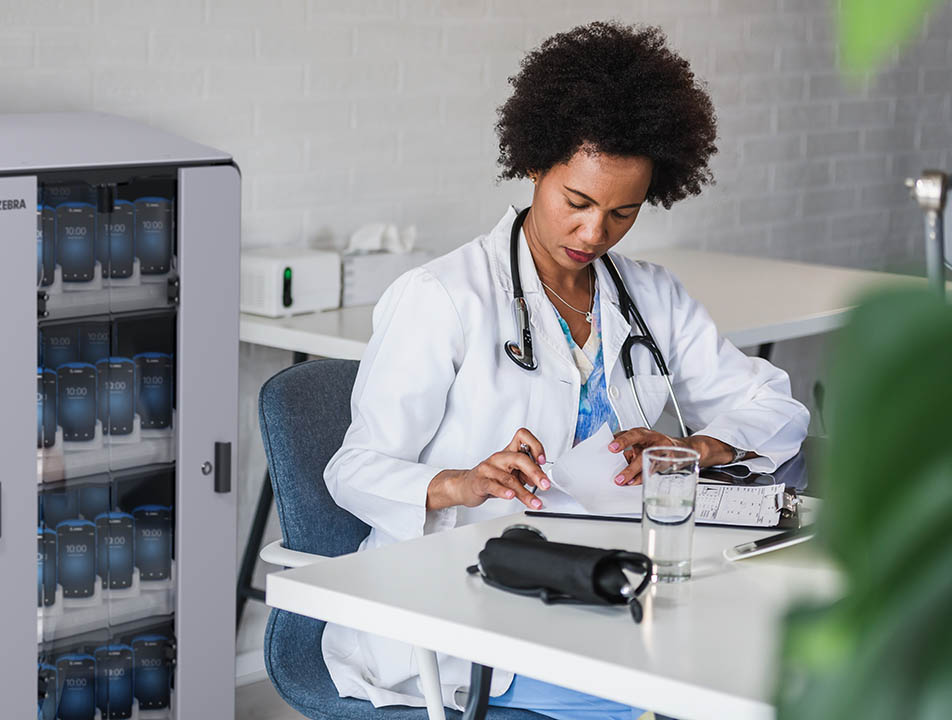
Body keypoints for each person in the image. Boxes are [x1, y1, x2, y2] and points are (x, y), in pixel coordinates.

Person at [320, 21, 810, 719]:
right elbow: (353, 468)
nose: (594, 235)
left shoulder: (650, 297)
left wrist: (695, 448)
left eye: (622, 214)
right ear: (535, 166)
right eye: (576, 203)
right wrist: (458, 481)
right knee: (672, 701)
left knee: (769, 666)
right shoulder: (442, 298)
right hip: (479, 601)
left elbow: (774, 405)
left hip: (609, 583)